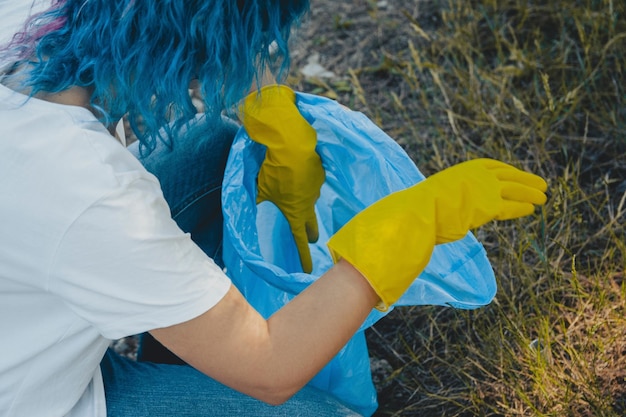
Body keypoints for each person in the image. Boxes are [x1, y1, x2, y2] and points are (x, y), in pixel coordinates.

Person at [0, 1, 549, 417]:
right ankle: (198, 350)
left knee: (209, 147)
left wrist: (265, 103)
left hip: (31, 307)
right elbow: (271, 367)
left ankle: (186, 346)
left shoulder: (39, 20)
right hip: (39, 395)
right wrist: (402, 230)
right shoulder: (87, 190)